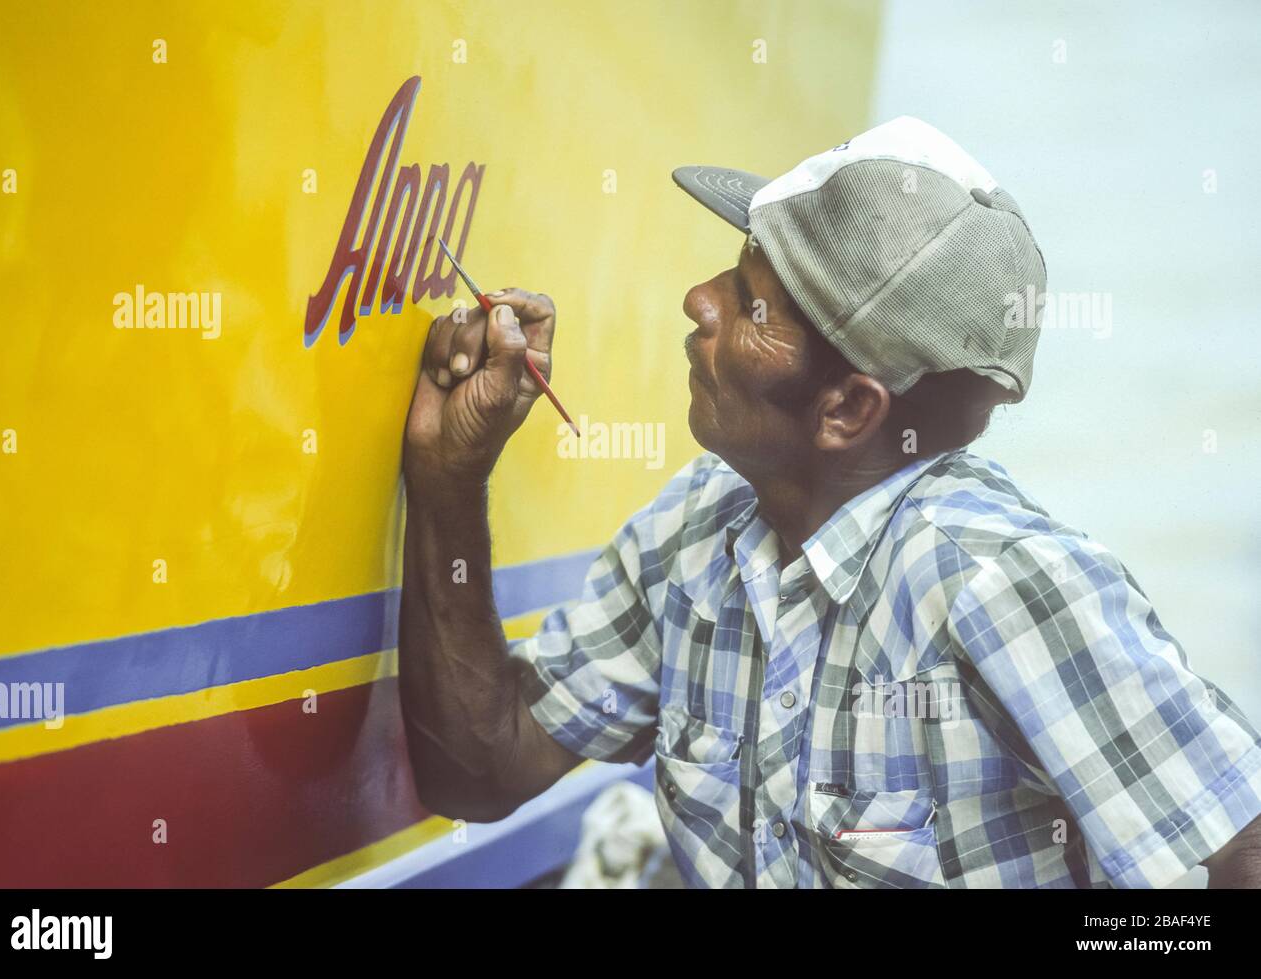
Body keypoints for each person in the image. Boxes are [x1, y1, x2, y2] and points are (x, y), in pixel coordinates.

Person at [397, 116, 1261, 888]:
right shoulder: (695, 529)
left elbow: (1243, 848)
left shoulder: (1001, 587)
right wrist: (448, 474)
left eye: (752, 301)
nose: (699, 302)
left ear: (847, 409)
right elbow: (481, 770)